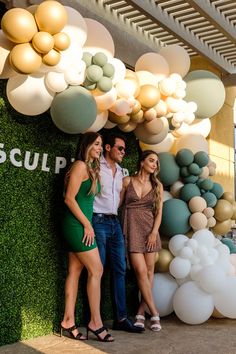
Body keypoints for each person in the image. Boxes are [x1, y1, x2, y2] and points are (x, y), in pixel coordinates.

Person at [61, 132, 114, 342]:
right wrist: (87, 225)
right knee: (97, 269)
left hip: (82, 225)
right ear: (87, 145)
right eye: (97, 144)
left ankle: (68, 321)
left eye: (101, 145)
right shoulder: (80, 166)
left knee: (74, 271)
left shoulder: (91, 168)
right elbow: (69, 199)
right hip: (76, 225)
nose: (100, 148)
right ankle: (96, 322)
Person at [92, 132, 144, 333]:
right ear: (108, 148)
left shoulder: (122, 171)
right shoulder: (96, 166)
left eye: (124, 149)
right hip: (98, 221)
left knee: (120, 269)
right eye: (120, 148)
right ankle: (93, 320)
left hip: (114, 223)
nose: (124, 152)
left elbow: (120, 198)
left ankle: (121, 319)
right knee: (98, 271)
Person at [120, 150, 163, 331]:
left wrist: (154, 232)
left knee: (150, 271)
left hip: (149, 230)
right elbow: (118, 205)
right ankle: (154, 312)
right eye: (151, 160)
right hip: (131, 228)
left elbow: (159, 212)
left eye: (156, 163)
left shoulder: (157, 185)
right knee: (140, 270)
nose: (154, 165)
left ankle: (140, 312)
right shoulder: (127, 181)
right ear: (142, 161)